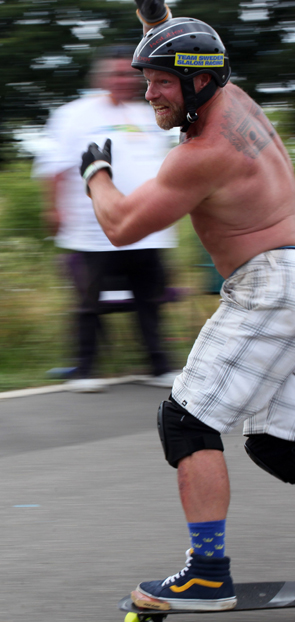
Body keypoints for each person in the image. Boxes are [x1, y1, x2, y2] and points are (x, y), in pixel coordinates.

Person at [80, 6, 295, 611]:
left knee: (187, 422)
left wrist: (96, 173)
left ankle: (207, 573)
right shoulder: (234, 98)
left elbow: (123, 225)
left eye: (159, 83)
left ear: (197, 83)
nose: (148, 93)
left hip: (272, 288)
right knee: (279, 440)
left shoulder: (200, 153)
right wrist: (156, 17)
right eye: (147, 78)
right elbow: (189, 46)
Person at [33, 44, 179, 393]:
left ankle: (159, 366)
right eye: (113, 73)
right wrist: (52, 208)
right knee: (88, 303)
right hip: (91, 231)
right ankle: (85, 370)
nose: (121, 80)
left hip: (148, 229)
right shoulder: (74, 114)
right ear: (99, 76)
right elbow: (52, 167)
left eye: (128, 74)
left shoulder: (150, 113)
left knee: (151, 301)